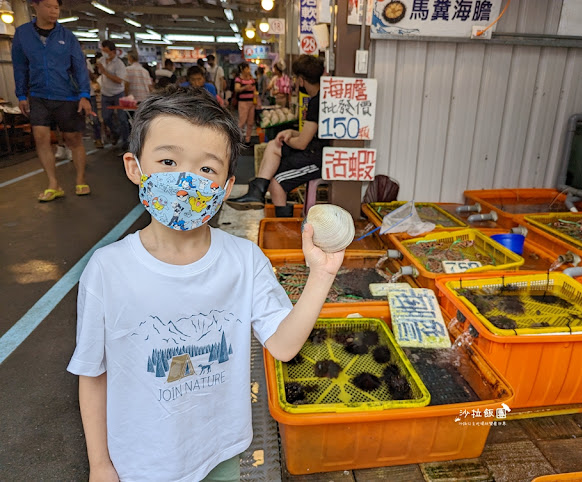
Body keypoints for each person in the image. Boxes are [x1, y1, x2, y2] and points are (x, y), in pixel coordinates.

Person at [66, 85, 344, 482]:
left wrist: (322, 274)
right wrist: (100, 465)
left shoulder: (244, 261)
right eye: (167, 160)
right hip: (141, 461)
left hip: (221, 450)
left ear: (226, 188)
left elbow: (283, 346)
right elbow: (93, 374)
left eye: (206, 169)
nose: (185, 181)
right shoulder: (108, 270)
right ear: (134, 167)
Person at [11, 0, 94, 201]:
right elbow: (20, 66)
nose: (53, 11)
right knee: (41, 138)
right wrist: (21, 95)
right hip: (38, 95)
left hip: (67, 95)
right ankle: (53, 184)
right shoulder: (22, 34)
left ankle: (80, 179)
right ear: (35, 6)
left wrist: (84, 95)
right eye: (48, 6)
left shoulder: (67, 36)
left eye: (56, 7)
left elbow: (80, 67)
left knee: (73, 140)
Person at [227, 55, 328, 216]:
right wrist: (291, 133)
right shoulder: (321, 98)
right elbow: (312, 134)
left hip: (319, 158)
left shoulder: (316, 102)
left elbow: (302, 143)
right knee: (274, 148)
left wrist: (290, 139)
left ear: (301, 79)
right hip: (316, 150)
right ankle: (257, 191)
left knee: (277, 180)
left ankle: (260, 194)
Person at [98, 40, 130, 150]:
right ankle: (115, 132)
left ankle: (126, 141)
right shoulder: (101, 60)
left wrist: (105, 72)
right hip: (105, 94)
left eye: (106, 51)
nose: (104, 53)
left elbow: (119, 80)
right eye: (103, 50)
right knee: (106, 117)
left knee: (122, 118)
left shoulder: (119, 64)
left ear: (113, 51)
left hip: (118, 93)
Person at [234, 62, 256, 144]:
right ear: (242, 69)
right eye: (247, 68)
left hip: (251, 103)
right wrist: (245, 87)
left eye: (249, 68)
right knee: (242, 121)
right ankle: (238, 139)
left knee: (250, 122)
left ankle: (248, 139)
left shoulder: (251, 78)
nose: (248, 70)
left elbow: (255, 89)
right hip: (243, 103)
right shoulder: (238, 79)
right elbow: (237, 89)